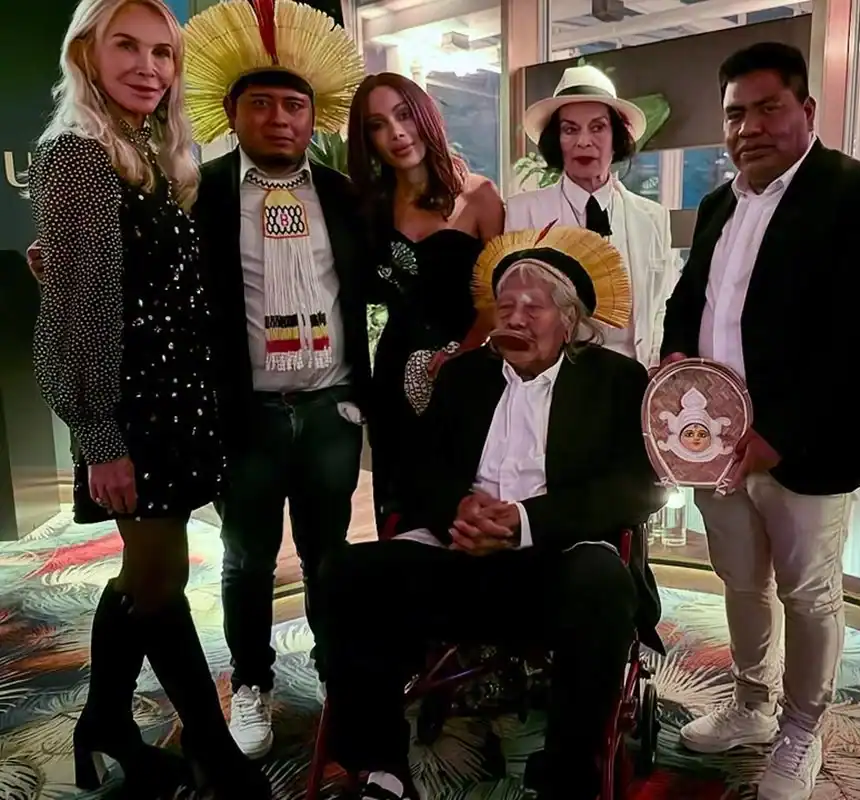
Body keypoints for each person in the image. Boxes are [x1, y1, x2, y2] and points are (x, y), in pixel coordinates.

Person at [318, 226, 665, 800]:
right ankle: (380, 767)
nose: (516, 319)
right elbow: (416, 471)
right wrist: (459, 509)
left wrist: (524, 522)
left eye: (534, 308)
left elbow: (635, 489)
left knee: (603, 581)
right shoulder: (464, 376)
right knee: (345, 575)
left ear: (569, 320)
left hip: (555, 563)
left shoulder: (615, 379)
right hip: (458, 556)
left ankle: (567, 776)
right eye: (506, 307)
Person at [27, 0, 269, 796]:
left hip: (174, 400)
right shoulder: (77, 155)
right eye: (126, 46)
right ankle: (212, 748)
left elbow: (136, 279)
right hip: (131, 409)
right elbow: (78, 317)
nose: (147, 66)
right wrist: (99, 435)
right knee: (159, 580)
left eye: (162, 52)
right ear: (86, 55)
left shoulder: (145, 152)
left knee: (147, 577)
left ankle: (107, 721)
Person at [659, 42, 860, 799]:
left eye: (769, 108)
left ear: (807, 109)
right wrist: (675, 365)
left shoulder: (858, 192)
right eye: (736, 113)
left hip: (806, 449)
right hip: (715, 445)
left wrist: (780, 435)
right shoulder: (719, 203)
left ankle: (802, 727)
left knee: (808, 593)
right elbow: (691, 300)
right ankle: (751, 704)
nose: (750, 128)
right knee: (740, 581)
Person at [182, 0, 370, 759]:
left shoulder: (344, 195)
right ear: (233, 114)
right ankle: (252, 683)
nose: (280, 119)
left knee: (330, 555)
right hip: (247, 412)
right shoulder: (200, 192)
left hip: (330, 408)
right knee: (247, 559)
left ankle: (336, 672)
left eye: (294, 106)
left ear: (314, 117)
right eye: (261, 104)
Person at [345, 71, 504, 531]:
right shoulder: (369, 207)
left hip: (468, 373)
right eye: (377, 125)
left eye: (404, 115)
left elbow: (497, 298)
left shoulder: (479, 196)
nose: (396, 133)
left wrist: (461, 355)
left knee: (464, 506)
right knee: (399, 506)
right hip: (392, 377)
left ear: (425, 116)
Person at [507, 64, 680, 368]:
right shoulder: (524, 212)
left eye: (598, 128)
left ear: (616, 137)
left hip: (634, 375)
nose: (584, 141)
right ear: (556, 140)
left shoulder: (653, 217)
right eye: (570, 130)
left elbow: (664, 303)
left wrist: (657, 363)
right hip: (554, 378)